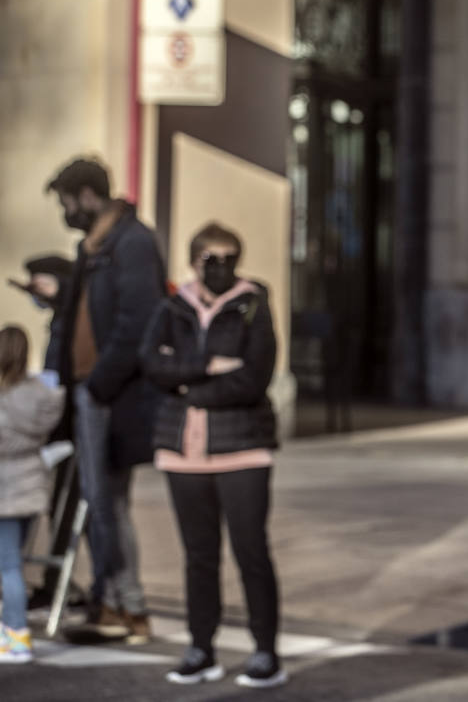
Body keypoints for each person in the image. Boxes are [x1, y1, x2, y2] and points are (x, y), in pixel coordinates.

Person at [139, 222, 286, 688]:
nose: (219, 267)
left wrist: (188, 387)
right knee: (198, 555)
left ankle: (266, 653)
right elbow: (152, 365)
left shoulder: (254, 305)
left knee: (250, 552)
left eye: (228, 258)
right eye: (210, 259)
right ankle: (201, 648)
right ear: (194, 260)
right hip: (184, 452)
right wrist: (205, 367)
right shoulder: (171, 306)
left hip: (242, 449)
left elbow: (254, 377)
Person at [44, 157, 164, 643]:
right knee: (97, 503)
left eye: (67, 201)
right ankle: (110, 599)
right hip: (84, 391)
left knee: (107, 501)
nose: (66, 211)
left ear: (88, 195)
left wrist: (97, 385)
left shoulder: (131, 243)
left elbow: (138, 321)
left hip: (110, 394)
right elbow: (76, 318)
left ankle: (127, 605)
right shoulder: (93, 247)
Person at [0, 326, 65, 663]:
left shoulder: (5, 398)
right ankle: (12, 630)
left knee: (8, 566)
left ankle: (16, 633)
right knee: (15, 563)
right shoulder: (42, 393)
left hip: (6, 491)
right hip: (32, 486)